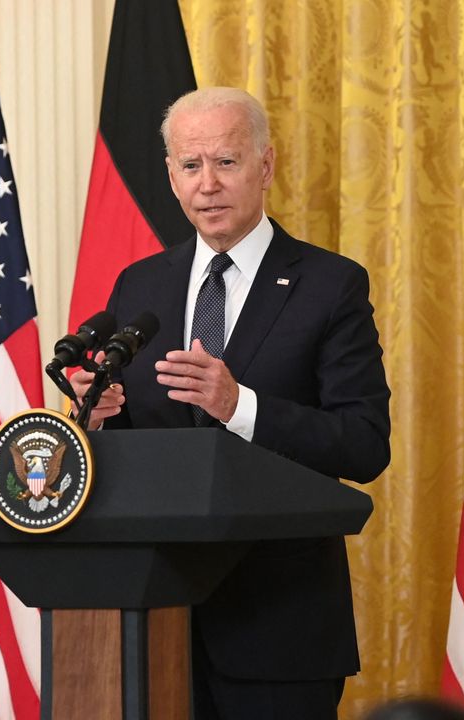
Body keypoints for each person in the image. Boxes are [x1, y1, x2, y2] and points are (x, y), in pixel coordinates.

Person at [71, 87, 391, 720]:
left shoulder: (331, 285)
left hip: (280, 629)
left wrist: (239, 405)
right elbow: (143, 448)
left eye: (227, 162)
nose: (208, 185)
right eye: (191, 167)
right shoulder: (142, 285)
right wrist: (102, 417)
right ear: (171, 177)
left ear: (265, 166)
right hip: (155, 621)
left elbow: (363, 442)